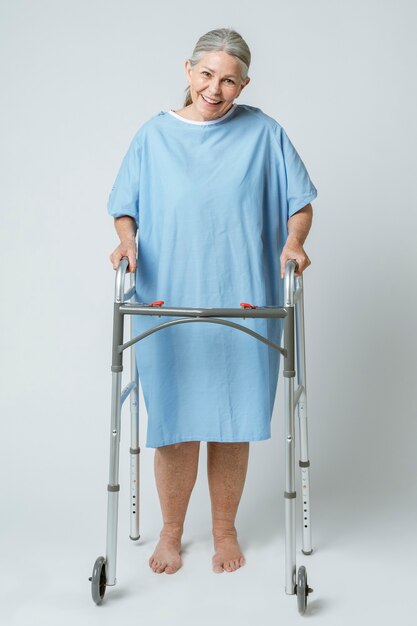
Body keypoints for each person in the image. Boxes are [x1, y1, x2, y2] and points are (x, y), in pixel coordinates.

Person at [107, 28, 317, 576]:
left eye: (228, 79)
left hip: (243, 295)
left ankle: (225, 531)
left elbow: (300, 201)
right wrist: (127, 240)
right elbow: (124, 205)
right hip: (168, 296)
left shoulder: (264, 133)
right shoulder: (153, 136)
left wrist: (295, 242)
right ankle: (171, 533)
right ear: (187, 71)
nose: (215, 88)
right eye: (206, 75)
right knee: (174, 419)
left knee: (231, 419)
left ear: (244, 82)